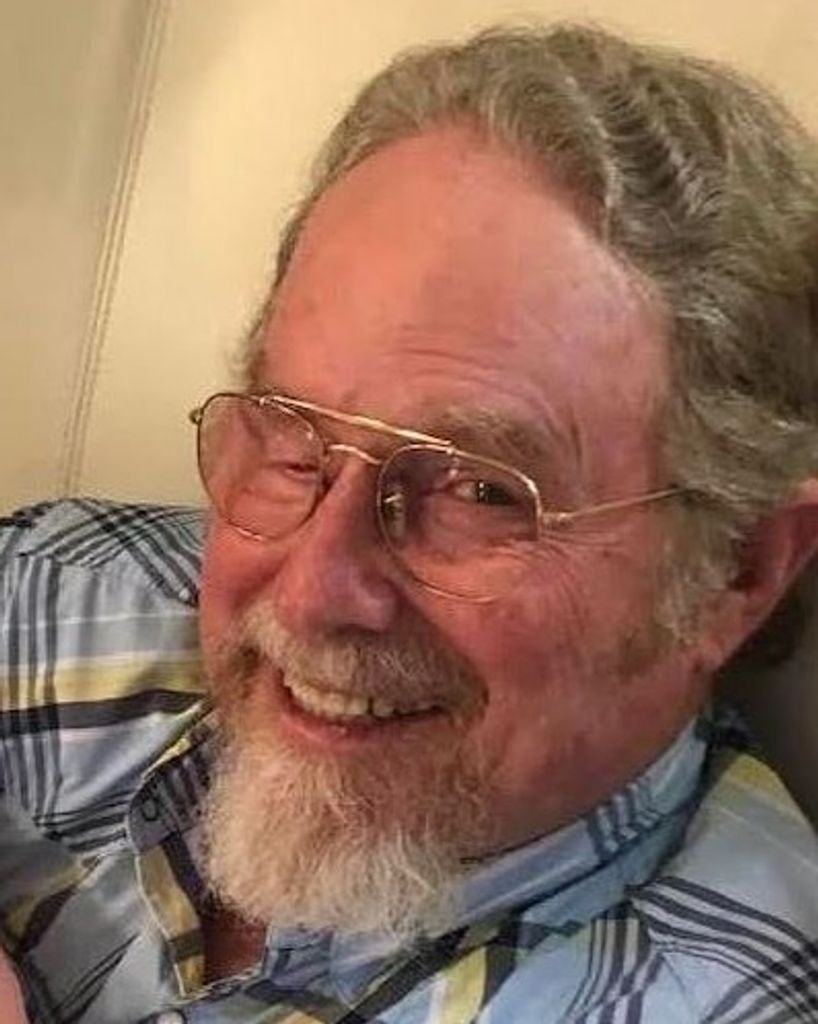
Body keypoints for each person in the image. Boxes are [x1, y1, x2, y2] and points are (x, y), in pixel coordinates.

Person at [2, 20, 818, 1024]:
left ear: (739, 568)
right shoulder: (63, 591)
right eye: (294, 437)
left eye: (479, 491)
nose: (311, 592)